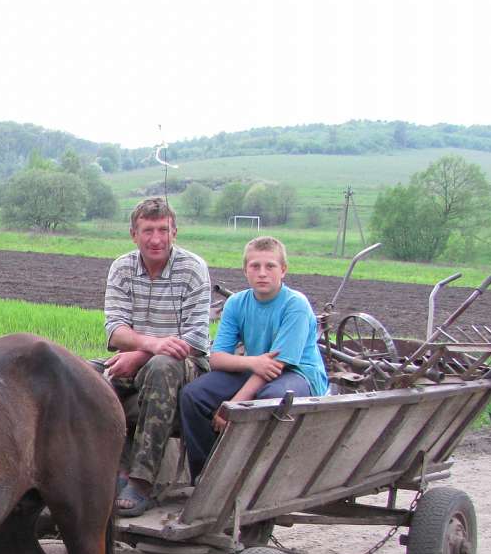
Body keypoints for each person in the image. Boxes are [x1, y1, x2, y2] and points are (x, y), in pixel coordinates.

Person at [179, 235, 328, 482]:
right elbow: (217, 358)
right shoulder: (237, 303)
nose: (262, 273)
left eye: (270, 266)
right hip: (256, 368)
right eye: (255, 266)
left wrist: (232, 407)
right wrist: (252, 362)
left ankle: (255, 479)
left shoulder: (295, 305)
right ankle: (207, 477)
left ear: (283, 270)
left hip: (299, 374)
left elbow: (276, 366)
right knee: (193, 395)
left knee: (269, 399)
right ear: (245, 271)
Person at [101, 197, 211, 517]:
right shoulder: (122, 267)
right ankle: (106, 471)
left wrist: (143, 354)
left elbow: (195, 339)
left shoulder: (192, 268)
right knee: (81, 377)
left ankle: (142, 481)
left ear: (174, 232)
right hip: (138, 355)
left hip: (185, 363)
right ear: (134, 234)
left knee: (161, 368)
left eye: (163, 230)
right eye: (148, 230)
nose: (156, 239)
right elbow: (114, 331)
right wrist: (147, 347)